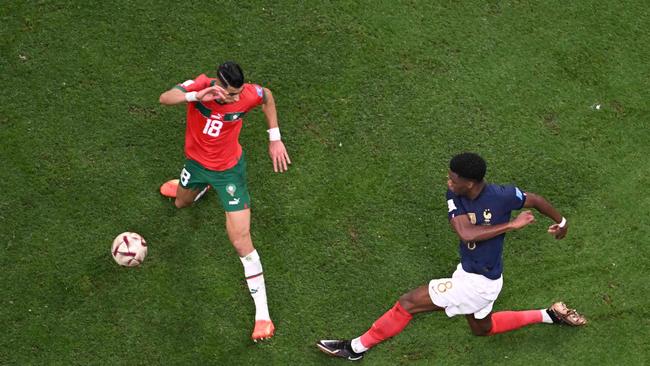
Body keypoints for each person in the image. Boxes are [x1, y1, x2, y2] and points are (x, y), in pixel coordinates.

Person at [317, 152, 586, 361]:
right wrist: (510, 225)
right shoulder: (454, 194)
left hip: (477, 284)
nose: (448, 181)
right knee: (482, 329)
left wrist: (561, 221)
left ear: (469, 182)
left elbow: (535, 199)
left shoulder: (502, 196)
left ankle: (355, 348)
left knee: (408, 302)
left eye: (453, 178)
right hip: (478, 276)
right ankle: (549, 315)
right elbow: (466, 233)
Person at [158, 61, 291, 341]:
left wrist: (274, 138)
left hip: (229, 172)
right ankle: (198, 189)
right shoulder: (200, 85)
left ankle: (263, 316)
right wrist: (195, 96)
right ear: (216, 84)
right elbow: (165, 98)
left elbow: (265, 95)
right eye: (230, 94)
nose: (235, 98)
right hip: (195, 165)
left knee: (241, 242)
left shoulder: (246, 94)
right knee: (181, 204)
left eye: (238, 93)